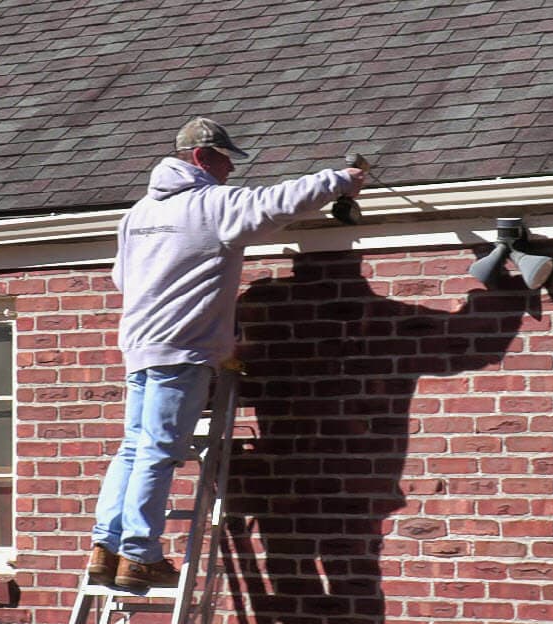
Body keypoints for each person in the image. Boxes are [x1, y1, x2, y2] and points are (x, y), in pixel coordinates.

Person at [89, 116, 366, 590]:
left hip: (139, 347)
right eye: (223, 159)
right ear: (201, 157)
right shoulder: (212, 205)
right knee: (158, 451)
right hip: (184, 350)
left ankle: (105, 547)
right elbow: (276, 202)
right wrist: (341, 180)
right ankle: (138, 554)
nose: (230, 170)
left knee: (134, 448)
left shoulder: (138, 213)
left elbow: (122, 278)